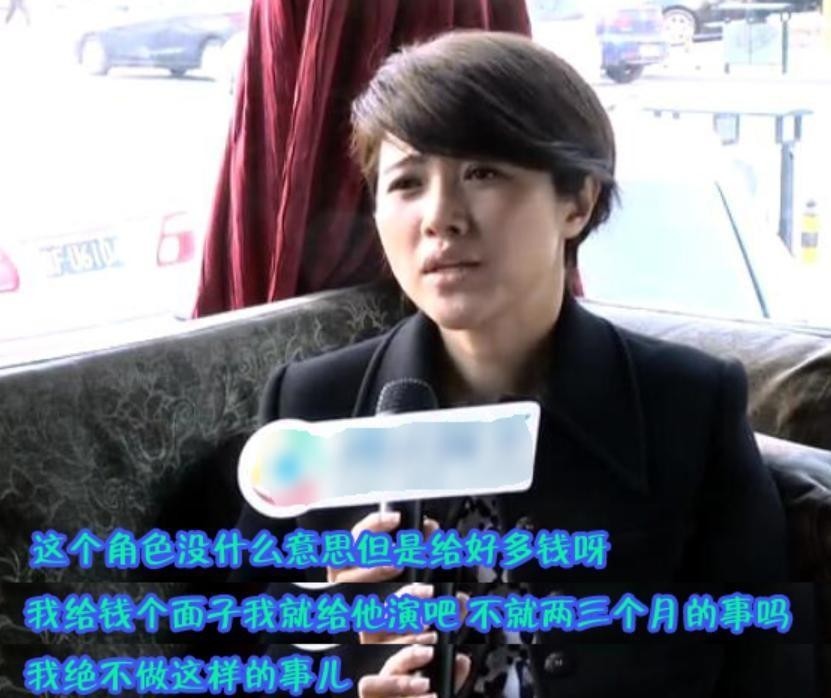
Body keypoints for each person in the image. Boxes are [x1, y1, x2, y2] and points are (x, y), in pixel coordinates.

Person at [235, 30, 814, 698]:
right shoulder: (311, 405)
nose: (440, 217)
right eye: (407, 182)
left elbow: (771, 660)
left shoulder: (687, 403)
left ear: (577, 202)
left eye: (483, 173)